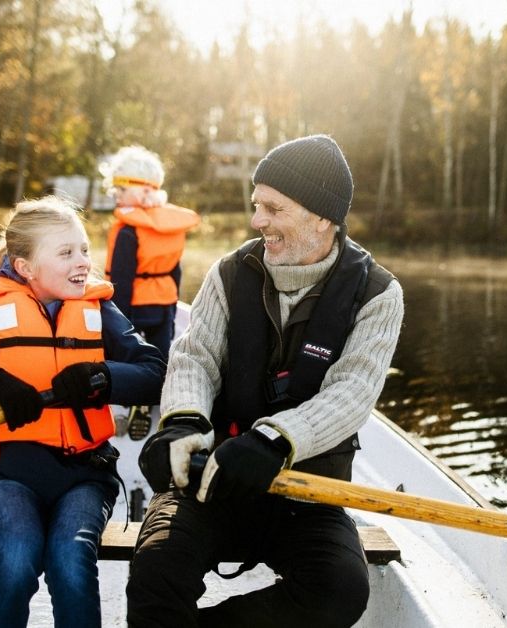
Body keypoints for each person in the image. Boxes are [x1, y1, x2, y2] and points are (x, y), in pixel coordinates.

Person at [127, 134, 405, 627]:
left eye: (274, 209)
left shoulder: (379, 294)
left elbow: (353, 392)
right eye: (257, 206)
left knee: (338, 590)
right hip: (215, 478)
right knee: (156, 568)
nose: (257, 221)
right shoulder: (230, 272)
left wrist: (277, 440)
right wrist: (182, 421)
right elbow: (194, 357)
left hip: (307, 495)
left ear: (322, 217)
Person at [0, 196, 165, 628]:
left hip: (86, 474)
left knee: (69, 557)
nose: (82, 261)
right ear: (26, 266)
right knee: (15, 557)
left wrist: (101, 376)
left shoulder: (98, 308)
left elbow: (154, 371)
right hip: (11, 476)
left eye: (84, 249)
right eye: (66, 252)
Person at [101, 145, 200, 439]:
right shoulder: (170, 227)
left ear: (142, 190)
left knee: (131, 357)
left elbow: (121, 278)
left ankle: (137, 400)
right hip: (164, 303)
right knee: (160, 355)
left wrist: (116, 319)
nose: (116, 194)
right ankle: (164, 403)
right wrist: (170, 301)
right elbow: (175, 270)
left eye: (121, 187)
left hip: (132, 306)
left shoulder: (128, 229)